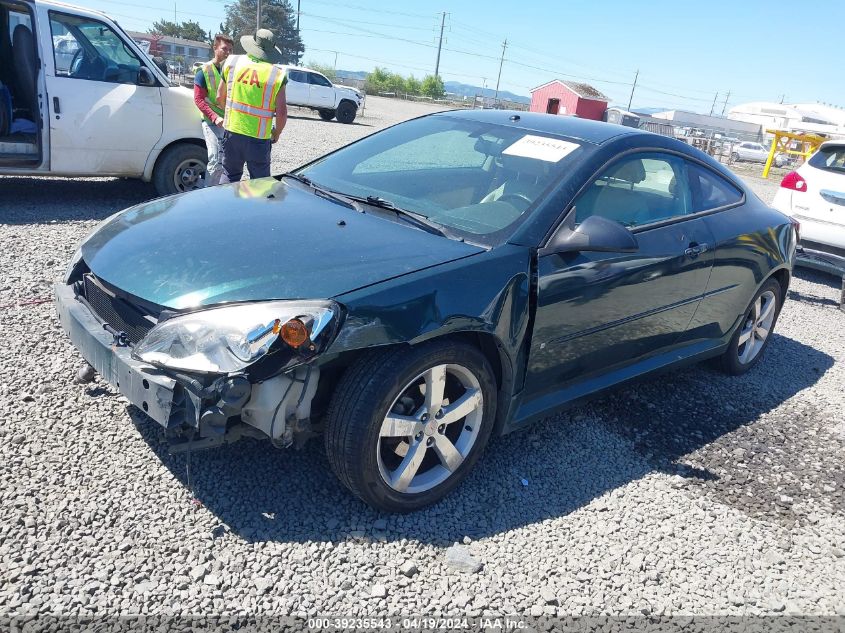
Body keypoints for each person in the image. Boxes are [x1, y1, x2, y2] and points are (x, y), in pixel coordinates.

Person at [216, 29, 287, 183]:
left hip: (232, 132)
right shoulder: (277, 74)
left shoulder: (232, 62)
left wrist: (231, 116)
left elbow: (219, 97)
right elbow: (281, 113)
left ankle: (224, 207)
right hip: (259, 139)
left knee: (229, 175)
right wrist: (277, 133)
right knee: (260, 184)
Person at [193, 34, 233, 186]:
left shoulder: (231, 71)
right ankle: (207, 194)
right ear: (215, 48)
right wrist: (215, 117)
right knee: (216, 160)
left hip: (228, 122)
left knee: (227, 163)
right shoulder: (204, 71)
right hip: (212, 121)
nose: (227, 52)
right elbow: (198, 99)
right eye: (224, 49)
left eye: (230, 49)